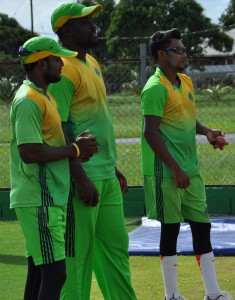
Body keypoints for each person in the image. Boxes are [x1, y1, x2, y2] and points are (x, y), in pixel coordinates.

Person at [48, 2, 137, 300]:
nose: (93, 25)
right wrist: (80, 177)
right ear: (66, 29)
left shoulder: (93, 63)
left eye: (91, 20)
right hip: (81, 179)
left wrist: (112, 167)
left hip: (106, 177)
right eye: (85, 21)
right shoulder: (61, 69)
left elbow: (96, 121)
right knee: (77, 259)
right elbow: (59, 129)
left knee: (116, 253)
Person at [140, 28, 231, 300]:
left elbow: (189, 119)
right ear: (161, 55)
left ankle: (213, 293)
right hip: (167, 173)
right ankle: (172, 295)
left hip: (190, 170)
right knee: (170, 229)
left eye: (183, 48)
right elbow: (150, 132)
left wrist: (208, 133)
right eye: (177, 49)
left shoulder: (186, 81)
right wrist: (175, 169)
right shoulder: (154, 88)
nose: (183, 53)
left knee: (201, 226)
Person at [10, 36, 99, 300]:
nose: (61, 63)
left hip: (47, 198)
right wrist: (74, 150)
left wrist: (76, 149)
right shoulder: (28, 100)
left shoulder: (42, 96)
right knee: (55, 274)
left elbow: (47, 144)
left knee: (39, 272)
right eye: (56, 58)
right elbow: (29, 152)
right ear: (40, 64)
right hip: (40, 197)